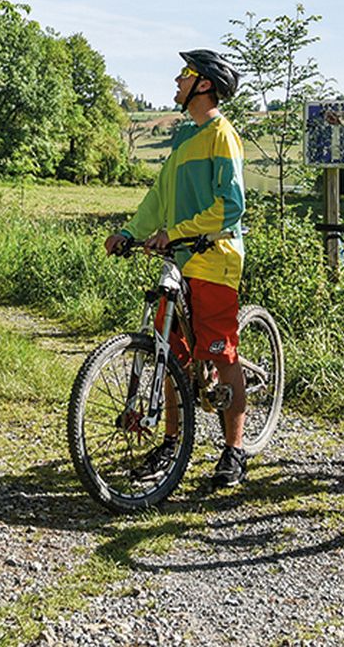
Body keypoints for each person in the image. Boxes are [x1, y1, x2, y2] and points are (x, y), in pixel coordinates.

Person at [104, 49, 249, 489]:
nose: (177, 79)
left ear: (204, 84)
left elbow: (231, 206)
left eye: (185, 74)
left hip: (214, 259)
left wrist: (178, 231)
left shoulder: (222, 135)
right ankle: (171, 442)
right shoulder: (184, 141)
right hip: (179, 260)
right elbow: (158, 200)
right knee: (170, 354)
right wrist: (130, 232)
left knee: (221, 355)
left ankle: (234, 452)